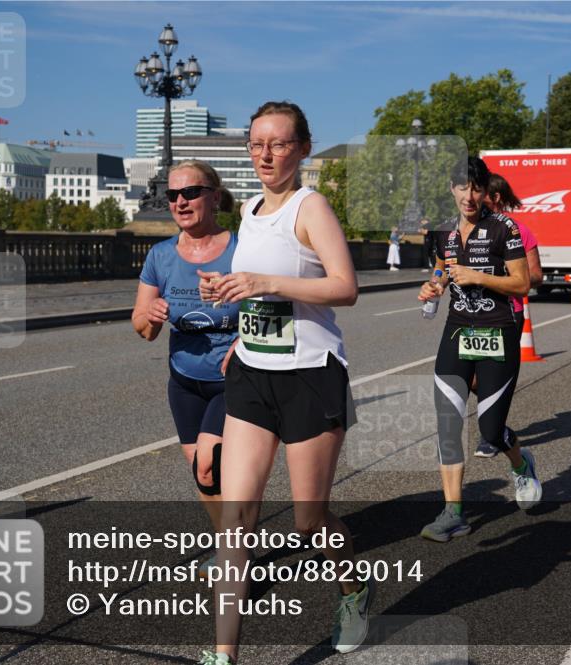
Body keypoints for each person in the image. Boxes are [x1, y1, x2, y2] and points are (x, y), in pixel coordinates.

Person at [196, 101, 368, 664]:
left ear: (302, 149)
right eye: (256, 144)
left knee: (308, 520)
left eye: (278, 143)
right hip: (252, 373)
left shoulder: (310, 206)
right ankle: (224, 656)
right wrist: (229, 296)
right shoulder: (247, 209)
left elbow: (345, 288)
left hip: (311, 377)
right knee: (235, 518)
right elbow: (258, 292)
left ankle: (353, 589)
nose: (265, 154)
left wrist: (265, 282)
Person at [417, 156, 541, 542]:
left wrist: (478, 277)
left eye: (476, 188)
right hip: (458, 331)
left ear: (486, 191)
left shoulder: (504, 227)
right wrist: (434, 285)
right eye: (462, 187)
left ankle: (521, 465)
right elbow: (441, 265)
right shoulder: (442, 229)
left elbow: (523, 284)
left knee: (490, 428)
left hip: (498, 332)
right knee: (448, 420)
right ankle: (453, 511)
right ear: (451, 189)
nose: (469, 196)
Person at [132, 161, 237, 559]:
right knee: (203, 474)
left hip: (234, 379)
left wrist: (245, 337)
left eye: (190, 192)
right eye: (172, 195)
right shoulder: (160, 255)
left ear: (213, 195)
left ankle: (234, 555)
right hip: (184, 380)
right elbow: (142, 328)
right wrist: (151, 314)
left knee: (209, 464)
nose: (180, 201)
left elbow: (276, 306)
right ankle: (233, 543)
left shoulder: (242, 247)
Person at [474, 173, 543, 458]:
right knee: (470, 379)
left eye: (481, 192)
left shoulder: (518, 231)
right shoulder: (470, 229)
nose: (474, 198)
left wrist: (500, 275)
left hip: (506, 314)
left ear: (496, 198)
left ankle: (492, 432)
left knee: (495, 375)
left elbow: (536, 275)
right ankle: (494, 420)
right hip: (472, 314)